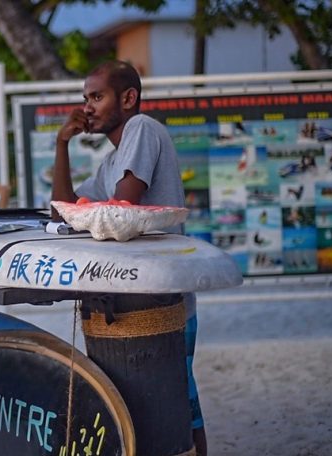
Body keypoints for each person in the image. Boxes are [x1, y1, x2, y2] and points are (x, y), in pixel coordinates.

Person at [51, 60, 207, 456]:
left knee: (178, 400)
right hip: (141, 294)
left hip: (163, 296)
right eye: (85, 98)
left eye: (97, 97)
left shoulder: (142, 128)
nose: (87, 107)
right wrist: (61, 143)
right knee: (169, 398)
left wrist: (87, 210)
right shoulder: (109, 162)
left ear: (129, 98)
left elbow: (124, 203)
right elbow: (61, 210)